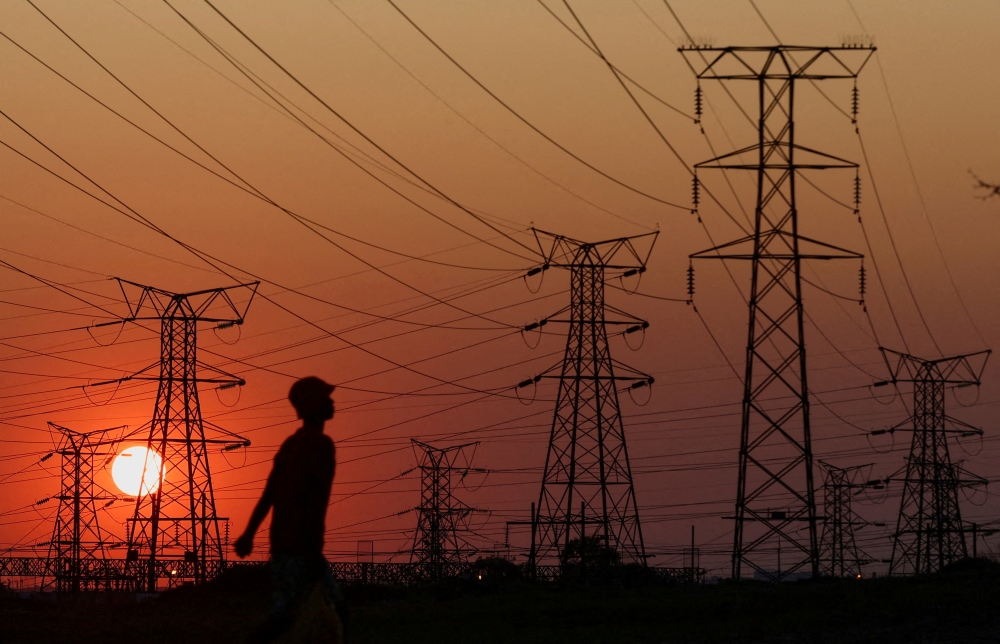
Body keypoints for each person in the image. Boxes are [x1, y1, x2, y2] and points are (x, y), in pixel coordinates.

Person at [235, 376, 343, 643]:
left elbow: (268, 495)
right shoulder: (320, 445)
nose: (332, 402)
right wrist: (313, 552)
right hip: (302, 548)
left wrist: (249, 533)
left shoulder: (290, 446)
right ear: (314, 406)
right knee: (333, 611)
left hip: (283, 546)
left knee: (287, 613)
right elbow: (314, 503)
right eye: (325, 398)